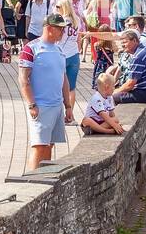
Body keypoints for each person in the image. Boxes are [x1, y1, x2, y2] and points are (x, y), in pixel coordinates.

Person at [18, 12, 73, 170]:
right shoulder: (31, 48)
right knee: (39, 146)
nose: (63, 33)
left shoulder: (59, 50)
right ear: (49, 28)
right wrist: (32, 104)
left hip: (57, 107)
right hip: (41, 107)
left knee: (49, 145)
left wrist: (68, 106)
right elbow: (23, 79)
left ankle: (44, 178)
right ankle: (30, 182)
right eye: (60, 29)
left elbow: (64, 79)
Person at [113, 29, 146, 104]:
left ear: (134, 41)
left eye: (125, 42)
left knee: (111, 98)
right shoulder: (143, 51)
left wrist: (114, 92)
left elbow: (130, 84)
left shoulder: (138, 56)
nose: (123, 45)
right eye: (121, 43)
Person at [80, 70, 124, 136]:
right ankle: (107, 131)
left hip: (101, 123)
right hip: (93, 121)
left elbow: (111, 114)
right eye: (113, 86)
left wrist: (115, 123)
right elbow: (103, 114)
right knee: (86, 120)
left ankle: (95, 130)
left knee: (115, 119)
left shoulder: (110, 97)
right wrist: (114, 125)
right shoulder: (96, 98)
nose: (114, 88)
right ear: (107, 87)